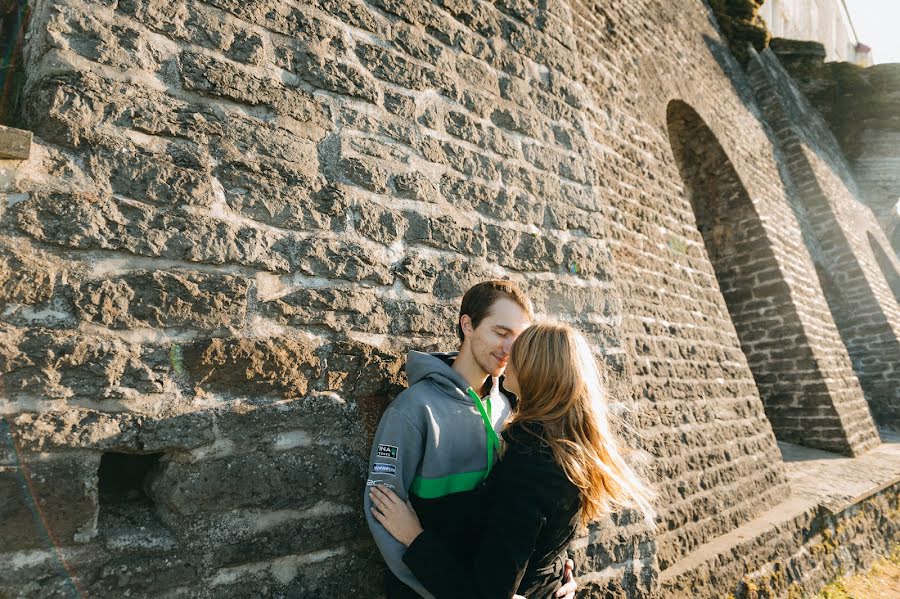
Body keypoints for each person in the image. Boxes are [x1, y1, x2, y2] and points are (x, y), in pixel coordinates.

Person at [369, 322, 657, 599]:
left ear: (535, 370)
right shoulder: (564, 450)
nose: (508, 354)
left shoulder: (531, 467)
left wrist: (414, 538)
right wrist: (555, 573)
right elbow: (536, 537)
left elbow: (484, 594)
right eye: (501, 333)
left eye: (517, 349)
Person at [363, 281, 577, 598]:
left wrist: (554, 570)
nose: (509, 349)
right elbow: (383, 514)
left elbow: (539, 512)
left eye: (518, 340)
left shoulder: (512, 408)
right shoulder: (413, 410)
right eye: (500, 332)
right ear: (468, 325)